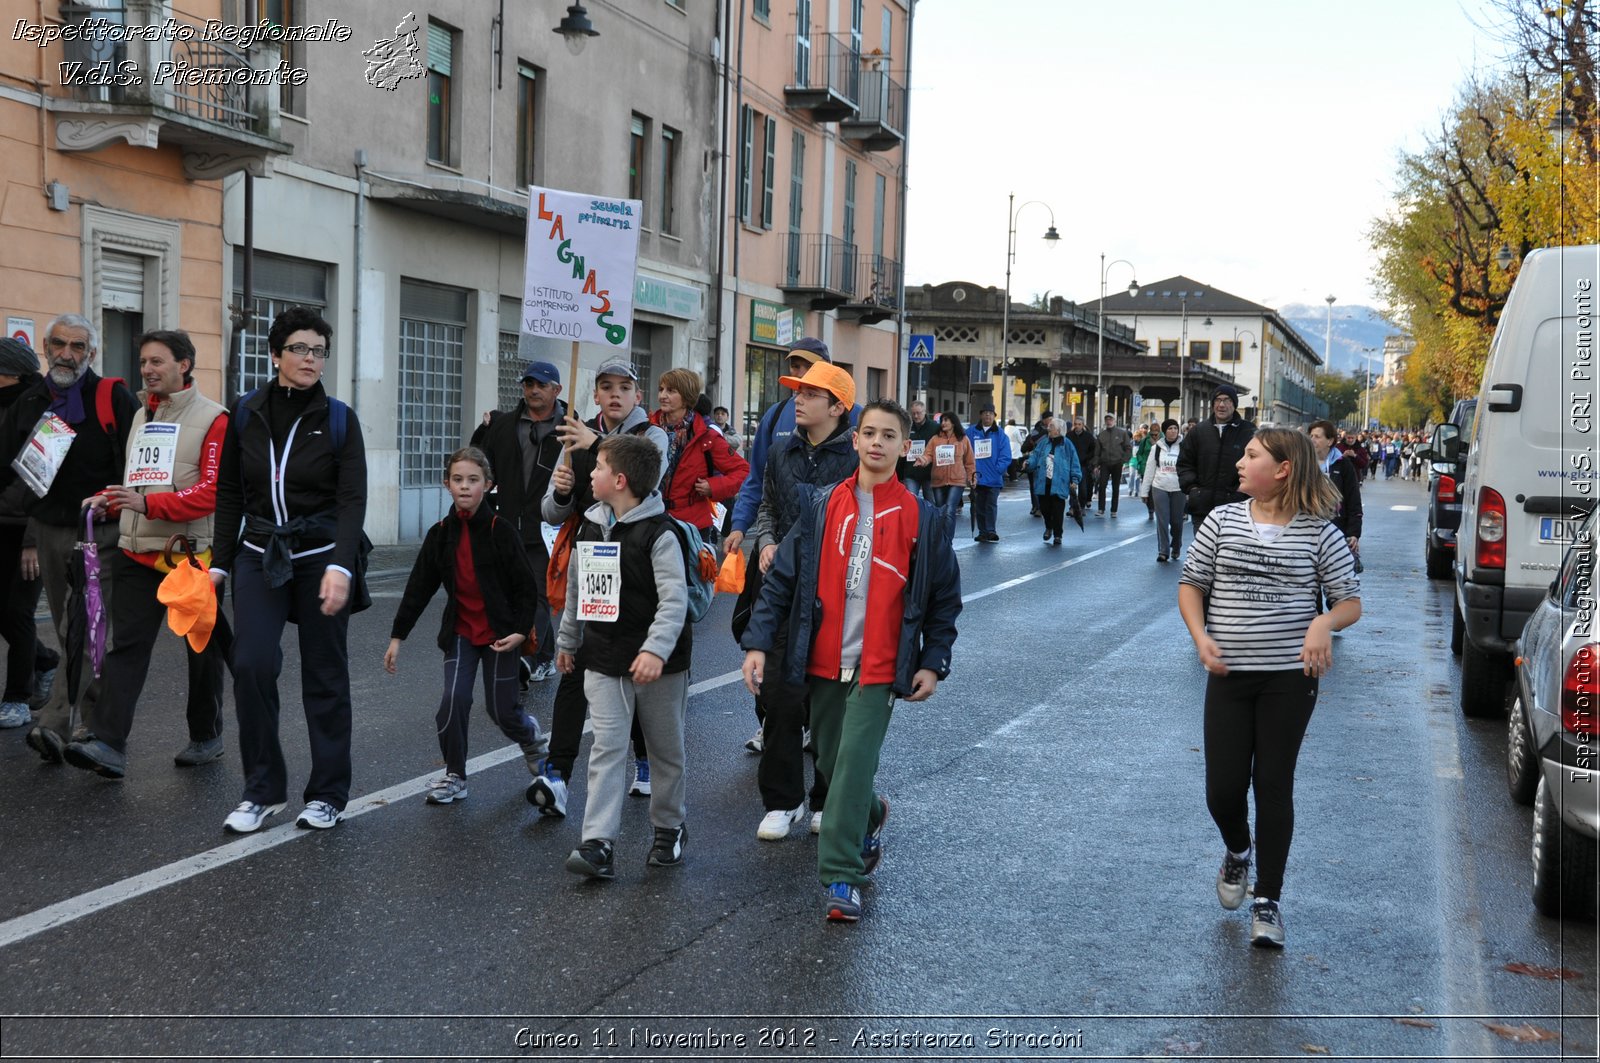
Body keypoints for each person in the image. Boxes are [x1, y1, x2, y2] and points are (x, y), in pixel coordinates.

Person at [741, 398, 962, 922]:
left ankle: (843, 876)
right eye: (870, 433)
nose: (878, 443)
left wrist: (933, 660)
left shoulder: (922, 519)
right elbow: (783, 581)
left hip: (880, 667)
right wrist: (757, 643)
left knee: (853, 763)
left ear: (904, 447)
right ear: (856, 440)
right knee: (835, 763)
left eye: (889, 435)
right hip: (820, 662)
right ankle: (872, 810)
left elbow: (943, 599)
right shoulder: (821, 506)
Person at [1177, 428, 1361, 949]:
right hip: (1229, 677)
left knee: (1274, 785)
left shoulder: (1320, 534)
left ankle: (1268, 901)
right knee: (1224, 790)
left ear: (1282, 469)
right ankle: (1238, 850)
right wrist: (1201, 637)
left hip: (1289, 681)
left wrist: (1323, 623)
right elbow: (1191, 586)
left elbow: (1350, 601)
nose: (1239, 462)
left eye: (1251, 455)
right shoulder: (1222, 521)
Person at [211, 306, 368, 834]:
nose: (310, 358)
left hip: (320, 554)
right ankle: (263, 789)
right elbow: (230, 491)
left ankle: (327, 793)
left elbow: (352, 500)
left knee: (324, 676)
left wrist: (341, 566)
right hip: (258, 552)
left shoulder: (340, 418)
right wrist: (218, 564)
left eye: (319, 350)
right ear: (276, 354)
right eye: (300, 348)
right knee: (251, 663)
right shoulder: (246, 411)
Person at [63, 330, 229, 779]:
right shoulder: (141, 415)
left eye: (158, 361)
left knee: (202, 653)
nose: (148, 370)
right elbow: (139, 482)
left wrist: (149, 504)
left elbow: (212, 492)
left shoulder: (216, 419)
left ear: (185, 365)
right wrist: (108, 498)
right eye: (143, 362)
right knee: (127, 649)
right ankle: (108, 745)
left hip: (189, 560)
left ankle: (206, 735)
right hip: (138, 554)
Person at [528, 359, 670, 819]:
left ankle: (646, 756)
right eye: (605, 386)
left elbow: (650, 484)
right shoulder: (576, 432)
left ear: (636, 394)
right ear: (595, 394)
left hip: (641, 559)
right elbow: (550, 511)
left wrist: (598, 445)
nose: (614, 394)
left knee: (631, 666)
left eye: (623, 387)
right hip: (595, 559)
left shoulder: (652, 434)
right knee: (580, 661)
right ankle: (558, 774)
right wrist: (565, 491)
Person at [0, 313, 139, 761]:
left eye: (78, 347)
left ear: (92, 353)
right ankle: (92, 724)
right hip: (48, 530)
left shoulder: (112, 396)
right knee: (72, 629)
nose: (67, 354)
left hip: (103, 532)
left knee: (81, 624)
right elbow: (8, 466)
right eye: (59, 344)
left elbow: (138, 464)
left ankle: (56, 722)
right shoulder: (32, 401)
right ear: (46, 348)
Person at [557, 434, 691, 878]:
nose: (588, 473)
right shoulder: (590, 525)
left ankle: (669, 829)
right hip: (604, 657)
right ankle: (598, 843)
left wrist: (655, 649)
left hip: (660, 665)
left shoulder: (660, 533)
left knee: (664, 749)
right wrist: (566, 640)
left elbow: (674, 600)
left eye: (596, 466)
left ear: (618, 479)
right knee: (607, 749)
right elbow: (578, 592)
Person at [385, 447, 546, 805]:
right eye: (457, 479)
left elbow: (526, 586)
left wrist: (521, 630)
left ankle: (530, 736)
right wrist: (398, 636)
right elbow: (418, 587)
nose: (464, 486)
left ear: (488, 485)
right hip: (461, 633)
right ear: (447, 484)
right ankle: (455, 775)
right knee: (452, 701)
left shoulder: (500, 530)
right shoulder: (440, 533)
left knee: (501, 711)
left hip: (502, 635)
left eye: (473, 480)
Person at [724, 338, 859, 757]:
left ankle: (812, 740)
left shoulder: (856, 447)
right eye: (795, 376)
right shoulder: (779, 432)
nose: (798, 389)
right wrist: (757, 536)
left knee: (809, 659)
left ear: (836, 402)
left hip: (827, 580)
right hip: (776, 570)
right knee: (755, 638)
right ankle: (775, 727)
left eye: (807, 378)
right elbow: (764, 491)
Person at [748, 361, 858, 841]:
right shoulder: (780, 450)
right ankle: (782, 801)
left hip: (836, 592)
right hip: (787, 586)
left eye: (811, 394)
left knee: (830, 702)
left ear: (837, 407)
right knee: (778, 695)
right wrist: (767, 539)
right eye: (797, 392)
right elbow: (770, 503)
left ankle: (827, 798)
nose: (798, 400)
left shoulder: (855, 457)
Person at [470, 360, 566, 688]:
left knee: (537, 592)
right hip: (509, 525)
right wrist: (483, 430)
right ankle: (542, 654)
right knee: (515, 593)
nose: (534, 390)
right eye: (528, 384)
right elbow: (480, 464)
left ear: (557, 390)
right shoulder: (504, 425)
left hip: (549, 526)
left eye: (541, 384)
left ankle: (533, 659)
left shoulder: (571, 428)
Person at [0, 337, 58, 729]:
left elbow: (45, 481)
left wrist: (33, 542)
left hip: (27, 530)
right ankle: (44, 660)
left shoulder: (47, 411)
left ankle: (17, 698)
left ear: (11, 373)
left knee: (17, 611)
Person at [651, 368, 748, 545]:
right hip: (651, 521)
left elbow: (743, 471)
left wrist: (714, 486)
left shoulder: (706, 436)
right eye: (661, 389)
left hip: (692, 526)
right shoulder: (647, 429)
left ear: (687, 397)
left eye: (671, 391)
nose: (663, 395)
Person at [1176, 384, 1256, 532]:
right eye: (1218, 400)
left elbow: (1257, 466)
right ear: (1213, 404)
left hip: (1236, 509)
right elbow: (1185, 463)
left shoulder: (1249, 432)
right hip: (1203, 508)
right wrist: (1193, 489)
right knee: (1202, 553)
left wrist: (1242, 492)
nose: (1222, 405)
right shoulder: (1198, 431)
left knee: (1228, 553)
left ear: (1234, 404)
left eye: (1227, 400)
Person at [1308, 420, 1363, 575]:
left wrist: (1353, 533)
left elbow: (1353, 500)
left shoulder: (1343, 464)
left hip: (1336, 530)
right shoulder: (1303, 462)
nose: (1312, 439)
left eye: (1317, 436)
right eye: (1311, 435)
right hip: (1308, 529)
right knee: (1310, 580)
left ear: (1330, 441)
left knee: (1337, 580)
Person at [912, 411, 974, 545]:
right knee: (940, 511)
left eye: (946, 420)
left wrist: (972, 477)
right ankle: (941, 538)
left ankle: (947, 541)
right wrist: (922, 460)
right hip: (938, 481)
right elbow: (928, 455)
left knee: (950, 509)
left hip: (957, 481)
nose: (943, 423)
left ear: (953, 422)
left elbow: (969, 461)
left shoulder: (963, 439)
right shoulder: (935, 439)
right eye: (942, 420)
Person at [1024, 416, 1082, 546]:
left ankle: (1057, 535)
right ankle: (1048, 526)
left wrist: (1075, 479)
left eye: (1051, 427)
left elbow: (1074, 463)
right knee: (1044, 509)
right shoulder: (1044, 442)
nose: (1049, 429)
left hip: (1059, 483)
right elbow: (1035, 456)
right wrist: (1028, 463)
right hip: (1043, 482)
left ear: (1059, 430)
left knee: (1057, 510)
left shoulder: (1067, 445)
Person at [1141, 419, 1187, 563]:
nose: (1173, 431)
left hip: (1178, 488)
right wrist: (1144, 491)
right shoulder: (1157, 448)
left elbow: (1190, 468)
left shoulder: (1184, 447)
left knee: (1177, 522)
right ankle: (1163, 551)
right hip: (1159, 486)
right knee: (1162, 521)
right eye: (1170, 428)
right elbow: (1149, 470)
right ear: (1164, 431)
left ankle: (1176, 546)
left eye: (1175, 428)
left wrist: (1190, 488)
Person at [966, 403, 1011, 542]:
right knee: (978, 506)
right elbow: (965, 452)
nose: (987, 415)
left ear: (994, 416)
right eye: (985, 413)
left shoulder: (1000, 434)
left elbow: (1006, 456)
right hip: (977, 477)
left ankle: (991, 530)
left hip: (994, 478)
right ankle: (982, 532)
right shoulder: (971, 432)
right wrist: (970, 472)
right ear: (980, 415)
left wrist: (997, 470)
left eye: (990, 413)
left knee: (991, 505)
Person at [1092, 414, 1133, 516]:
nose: (1109, 421)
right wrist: (1095, 465)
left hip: (1117, 463)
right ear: (1105, 422)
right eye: (1107, 420)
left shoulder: (1122, 433)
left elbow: (1128, 448)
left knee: (1115, 487)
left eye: (1111, 420)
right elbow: (1097, 452)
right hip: (1105, 463)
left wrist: (1124, 461)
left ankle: (1114, 510)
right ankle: (1101, 509)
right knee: (1102, 485)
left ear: (1114, 421)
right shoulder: (1101, 435)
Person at [897, 399, 938, 500]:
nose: (916, 416)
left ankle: (930, 516)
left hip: (929, 473)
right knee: (910, 500)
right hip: (911, 472)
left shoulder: (934, 428)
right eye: (913, 413)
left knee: (930, 502)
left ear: (924, 412)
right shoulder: (907, 427)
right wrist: (899, 474)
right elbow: (901, 449)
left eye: (918, 413)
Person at [1065, 416, 1097, 516]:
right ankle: (1072, 507)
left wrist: (1088, 460)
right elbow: (1065, 448)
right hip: (1071, 465)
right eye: (1076, 424)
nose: (1077, 426)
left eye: (1079, 424)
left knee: (1083, 488)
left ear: (1083, 425)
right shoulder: (1069, 435)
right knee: (1072, 488)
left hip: (1083, 465)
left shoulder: (1088, 436)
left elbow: (1093, 450)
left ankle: (1082, 506)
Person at [1130, 423, 1156, 521]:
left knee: (1155, 490)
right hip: (1145, 468)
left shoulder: (1162, 440)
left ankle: (1154, 508)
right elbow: (1139, 453)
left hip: (1157, 469)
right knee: (1147, 490)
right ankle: (1150, 509)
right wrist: (1141, 462)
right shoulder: (1144, 441)